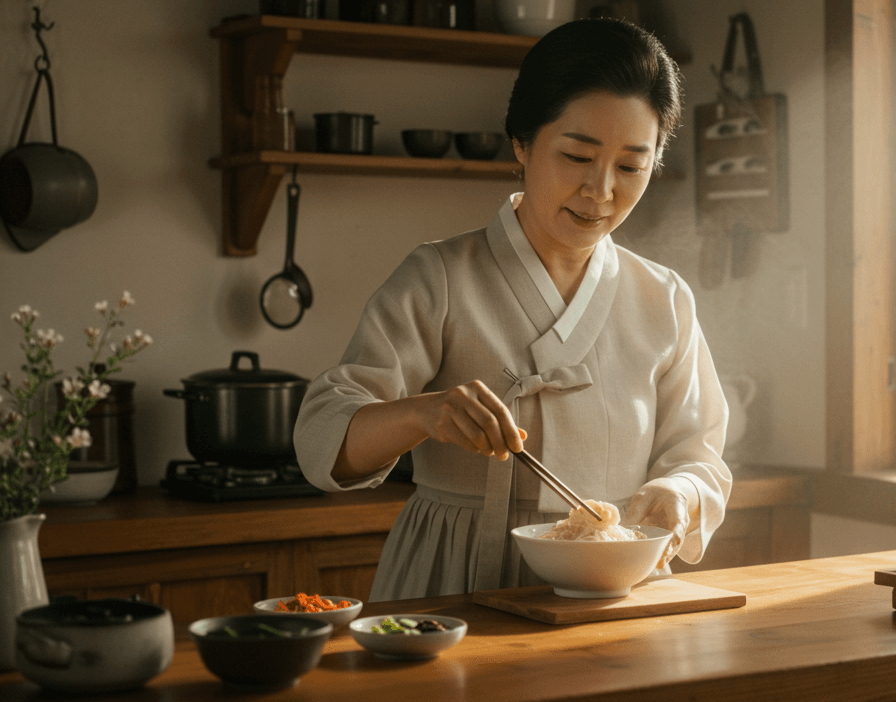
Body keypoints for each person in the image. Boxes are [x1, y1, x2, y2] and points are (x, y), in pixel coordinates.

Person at [294, 18, 731, 601]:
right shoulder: (440, 276)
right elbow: (322, 439)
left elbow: (699, 458)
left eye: (631, 166)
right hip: (457, 578)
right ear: (522, 144)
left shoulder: (664, 297)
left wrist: (680, 493)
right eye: (577, 156)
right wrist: (424, 414)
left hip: (613, 584)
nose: (601, 191)